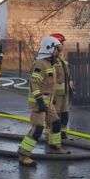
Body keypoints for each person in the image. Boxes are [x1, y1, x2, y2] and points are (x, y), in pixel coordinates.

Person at [17, 35, 68, 166]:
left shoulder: (50, 64)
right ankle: (23, 155)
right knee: (38, 129)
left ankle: (55, 147)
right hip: (38, 103)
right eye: (57, 49)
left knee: (56, 123)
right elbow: (34, 83)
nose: (58, 52)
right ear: (49, 49)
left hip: (48, 103)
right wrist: (39, 101)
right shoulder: (40, 64)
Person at [50, 32, 74, 139]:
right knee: (55, 117)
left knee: (65, 115)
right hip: (56, 95)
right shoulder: (50, 60)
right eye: (61, 43)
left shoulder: (61, 58)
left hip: (65, 93)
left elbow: (66, 75)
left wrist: (71, 86)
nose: (63, 45)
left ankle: (63, 135)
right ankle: (54, 138)